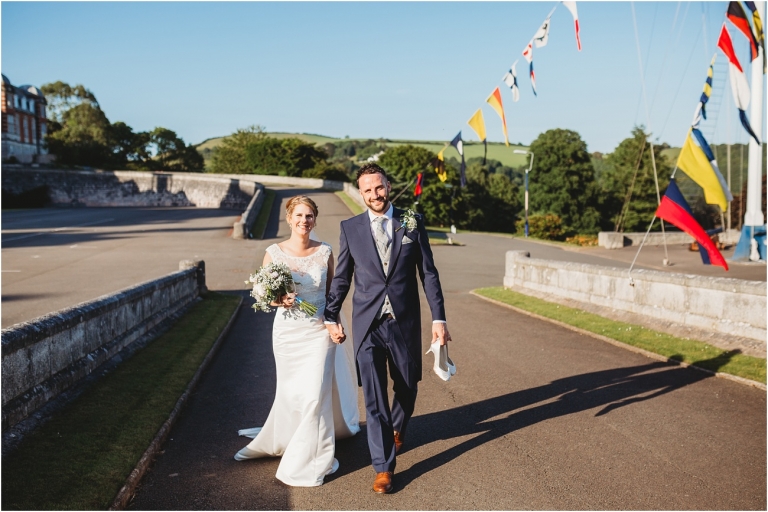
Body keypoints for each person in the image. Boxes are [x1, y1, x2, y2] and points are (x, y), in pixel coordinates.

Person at [324, 163, 451, 494]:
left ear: (389, 186)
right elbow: (342, 277)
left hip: (403, 322)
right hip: (367, 323)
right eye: (367, 190)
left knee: (408, 385)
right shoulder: (350, 227)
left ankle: (397, 428)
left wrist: (439, 319)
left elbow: (428, 273)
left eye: (378, 187)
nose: (373, 195)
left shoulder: (409, 221)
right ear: (361, 192)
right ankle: (383, 467)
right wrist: (330, 314)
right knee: (375, 398)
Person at [234, 195, 359, 487]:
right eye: (299, 216)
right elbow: (262, 294)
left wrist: (334, 324)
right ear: (290, 219)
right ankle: (290, 436)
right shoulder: (273, 253)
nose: (305, 221)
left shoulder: (325, 251)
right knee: (292, 393)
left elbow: (334, 294)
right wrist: (281, 299)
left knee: (315, 394)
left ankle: (311, 456)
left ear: (315, 220)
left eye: (310, 216)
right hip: (288, 333)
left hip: (318, 332)